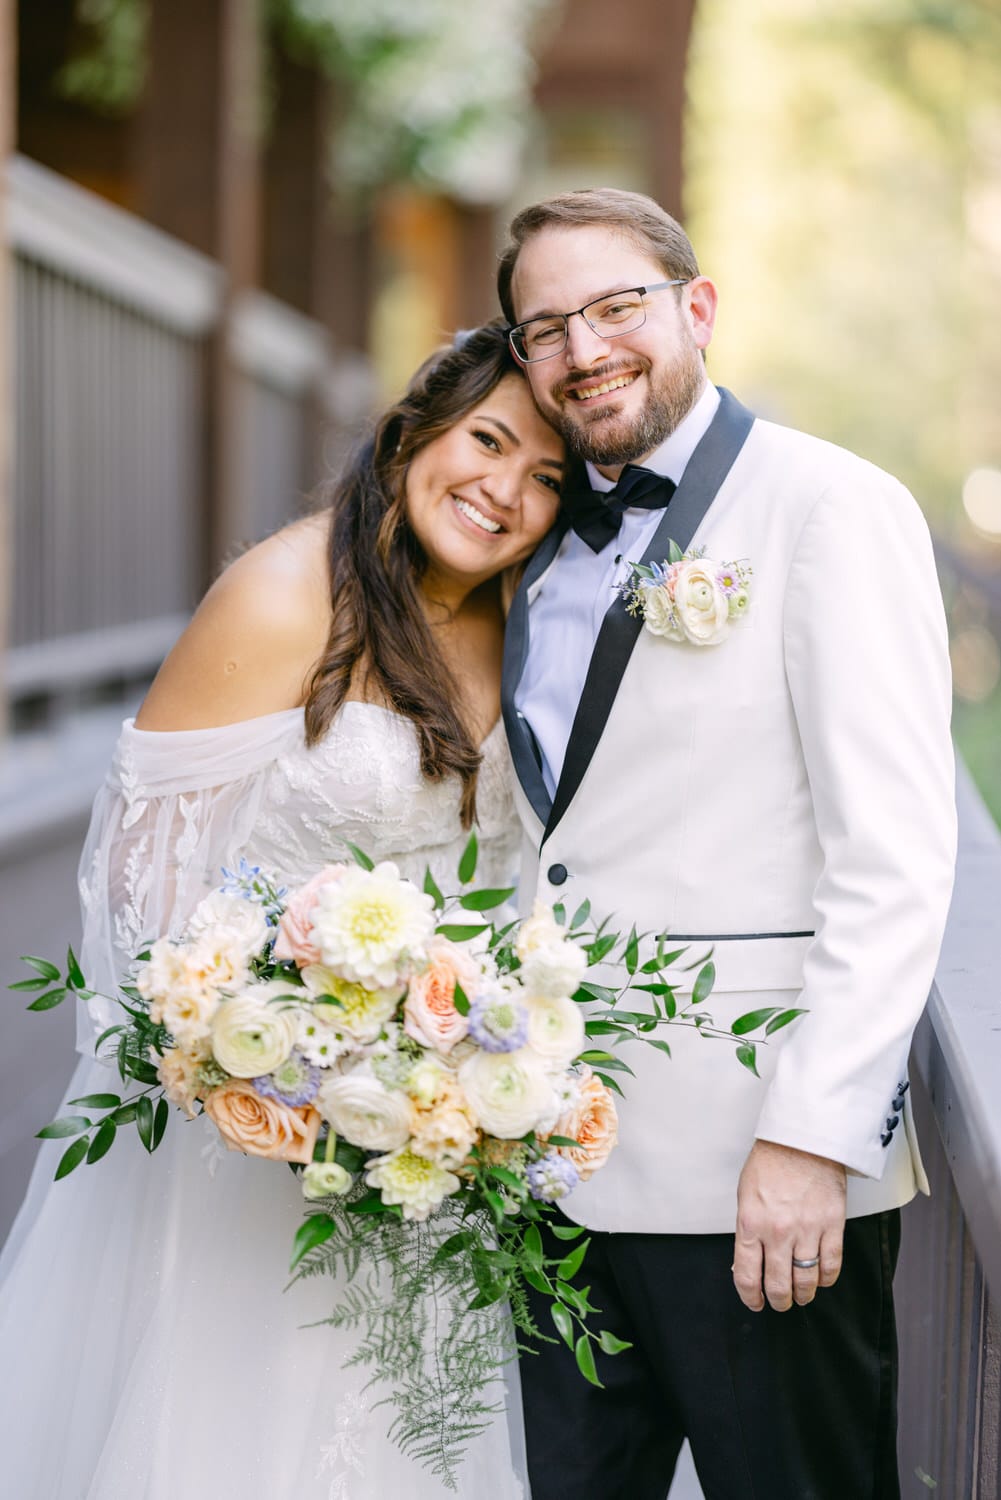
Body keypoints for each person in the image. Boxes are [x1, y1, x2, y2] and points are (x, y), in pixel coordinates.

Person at [0, 322, 562, 1499]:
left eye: (546, 479)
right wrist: (264, 1068)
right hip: (246, 1138)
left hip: (425, 1139)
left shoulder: (521, 627)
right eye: (488, 441)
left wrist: (449, 1073)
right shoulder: (279, 595)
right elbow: (135, 892)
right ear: (418, 427)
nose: (503, 492)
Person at [497, 188, 957, 1498]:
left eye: (614, 307)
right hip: (550, 1176)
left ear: (695, 308)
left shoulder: (830, 507)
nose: (583, 348)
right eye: (544, 326)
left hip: (758, 1182)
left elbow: (895, 855)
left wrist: (813, 1141)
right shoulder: (526, 545)